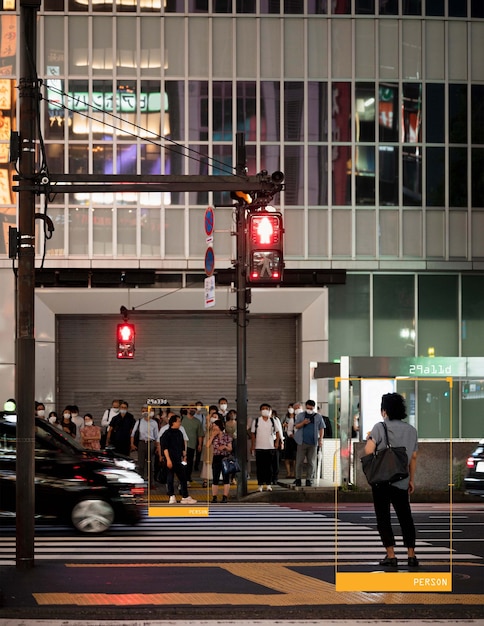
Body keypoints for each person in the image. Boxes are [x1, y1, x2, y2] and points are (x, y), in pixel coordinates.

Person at [364, 392, 419, 567]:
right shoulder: (411, 430)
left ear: (384, 410)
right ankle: (411, 554)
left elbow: (368, 451)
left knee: (383, 517)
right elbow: (414, 457)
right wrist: (411, 479)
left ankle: (391, 555)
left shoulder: (379, 427)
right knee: (405, 517)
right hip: (402, 480)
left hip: (381, 481)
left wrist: (369, 440)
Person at [159, 414, 197, 505]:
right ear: (173, 422)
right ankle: (171, 496)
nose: (180, 423)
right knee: (170, 477)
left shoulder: (179, 432)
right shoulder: (166, 433)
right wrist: (168, 459)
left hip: (178, 458)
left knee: (183, 478)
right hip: (170, 458)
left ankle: (185, 496)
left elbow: (182, 446)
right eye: (178, 421)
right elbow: (165, 448)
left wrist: (184, 456)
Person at [293, 399, 325, 487]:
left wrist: (321, 439)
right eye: (308, 407)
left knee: (311, 462)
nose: (309, 409)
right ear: (305, 407)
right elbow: (296, 426)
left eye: (311, 408)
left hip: (313, 443)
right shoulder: (300, 415)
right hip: (301, 442)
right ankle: (298, 478)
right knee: (299, 461)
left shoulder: (318, 416)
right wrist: (303, 423)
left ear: (314, 408)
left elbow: (322, 428)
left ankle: (309, 479)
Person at [250, 403, 281, 492]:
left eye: (266, 408)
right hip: (259, 447)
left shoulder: (273, 421)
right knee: (260, 467)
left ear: (269, 410)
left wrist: (277, 442)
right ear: (260, 411)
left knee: (269, 467)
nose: (265, 410)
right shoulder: (256, 421)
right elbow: (252, 434)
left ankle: (268, 484)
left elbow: (278, 432)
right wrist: (253, 445)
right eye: (263, 409)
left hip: (270, 447)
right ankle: (260, 484)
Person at [131, 408, 160, 487]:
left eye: (146, 411)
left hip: (151, 443)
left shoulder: (154, 423)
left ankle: (151, 482)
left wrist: (158, 447)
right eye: (143, 411)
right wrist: (132, 444)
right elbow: (133, 434)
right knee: (141, 465)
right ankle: (140, 482)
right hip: (141, 443)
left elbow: (157, 436)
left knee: (151, 464)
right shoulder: (139, 422)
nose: (145, 412)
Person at [207, 419, 232, 503]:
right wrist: (213, 436)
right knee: (215, 477)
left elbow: (230, 448)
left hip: (225, 457)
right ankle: (214, 497)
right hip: (216, 457)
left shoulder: (227, 436)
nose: (213, 427)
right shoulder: (213, 436)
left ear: (219, 426)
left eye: (215, 425)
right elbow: (207, 445)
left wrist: (224, 447)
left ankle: (225, 497)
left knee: (226, 478)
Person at [181, 406, 204, 484]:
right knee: (182, 462)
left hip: (192, 445)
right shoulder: (181, 420)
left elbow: (200, 434)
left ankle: (188, 477)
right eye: (191, 408)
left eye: (194, 409)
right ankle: (182, 477)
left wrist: (200, 444)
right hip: (181, 445)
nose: (192, 410)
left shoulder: (197, 422)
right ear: (187, 409)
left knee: (190, 462)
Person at [282, 403, 296, 478]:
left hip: (295, 438)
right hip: (287, 437)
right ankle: (288, 473)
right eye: (289, 407)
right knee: (287, 456)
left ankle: (294, 472)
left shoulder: (297, 417)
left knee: (294, 457)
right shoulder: (285, 416)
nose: (290, 409)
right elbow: (280, 424)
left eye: (291, 407)